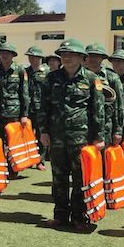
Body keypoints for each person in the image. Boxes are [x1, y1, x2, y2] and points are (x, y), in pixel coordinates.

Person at [37, 38, 105, 231]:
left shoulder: (91, 79)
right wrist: (43, 131)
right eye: (63, 55)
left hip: (81, 138)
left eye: (71, 55)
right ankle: (60, 216)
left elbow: (97, 110)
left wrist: (99, 137)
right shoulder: (51, 78)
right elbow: (44, 107)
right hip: (57, 136)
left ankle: (79, 217)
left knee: (79, 178)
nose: (66, 58)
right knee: (59, 177)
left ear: (81, 58)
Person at [0, 42, 29, 170]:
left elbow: (24, 93)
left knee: (13, 142)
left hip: (14, 112)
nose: (4, 55)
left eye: (7, 53)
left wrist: (24, 115)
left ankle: (14, 167)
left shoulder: (20, 70)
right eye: (2, 53)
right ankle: (0, 166)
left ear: (13, 55)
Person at [84, 44, 124, 146]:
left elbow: (119, 105)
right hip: (82, 126)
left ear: (102, 58)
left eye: (96, 56)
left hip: (104, 126)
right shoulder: (80, 75)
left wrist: (118, 130)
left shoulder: (112, 77)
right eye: (90, 55)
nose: (93, 59)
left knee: (102, 158)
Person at [24, 46, 49, 169]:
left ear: (40, 58)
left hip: (41, 109)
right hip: (28, 108)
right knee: (27, 135)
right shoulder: (24, 71)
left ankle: (40, 160)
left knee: (41, 135)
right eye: (30, 56)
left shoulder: (47, 73)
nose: (31, 59)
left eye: (34, 57)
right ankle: (29, 159)